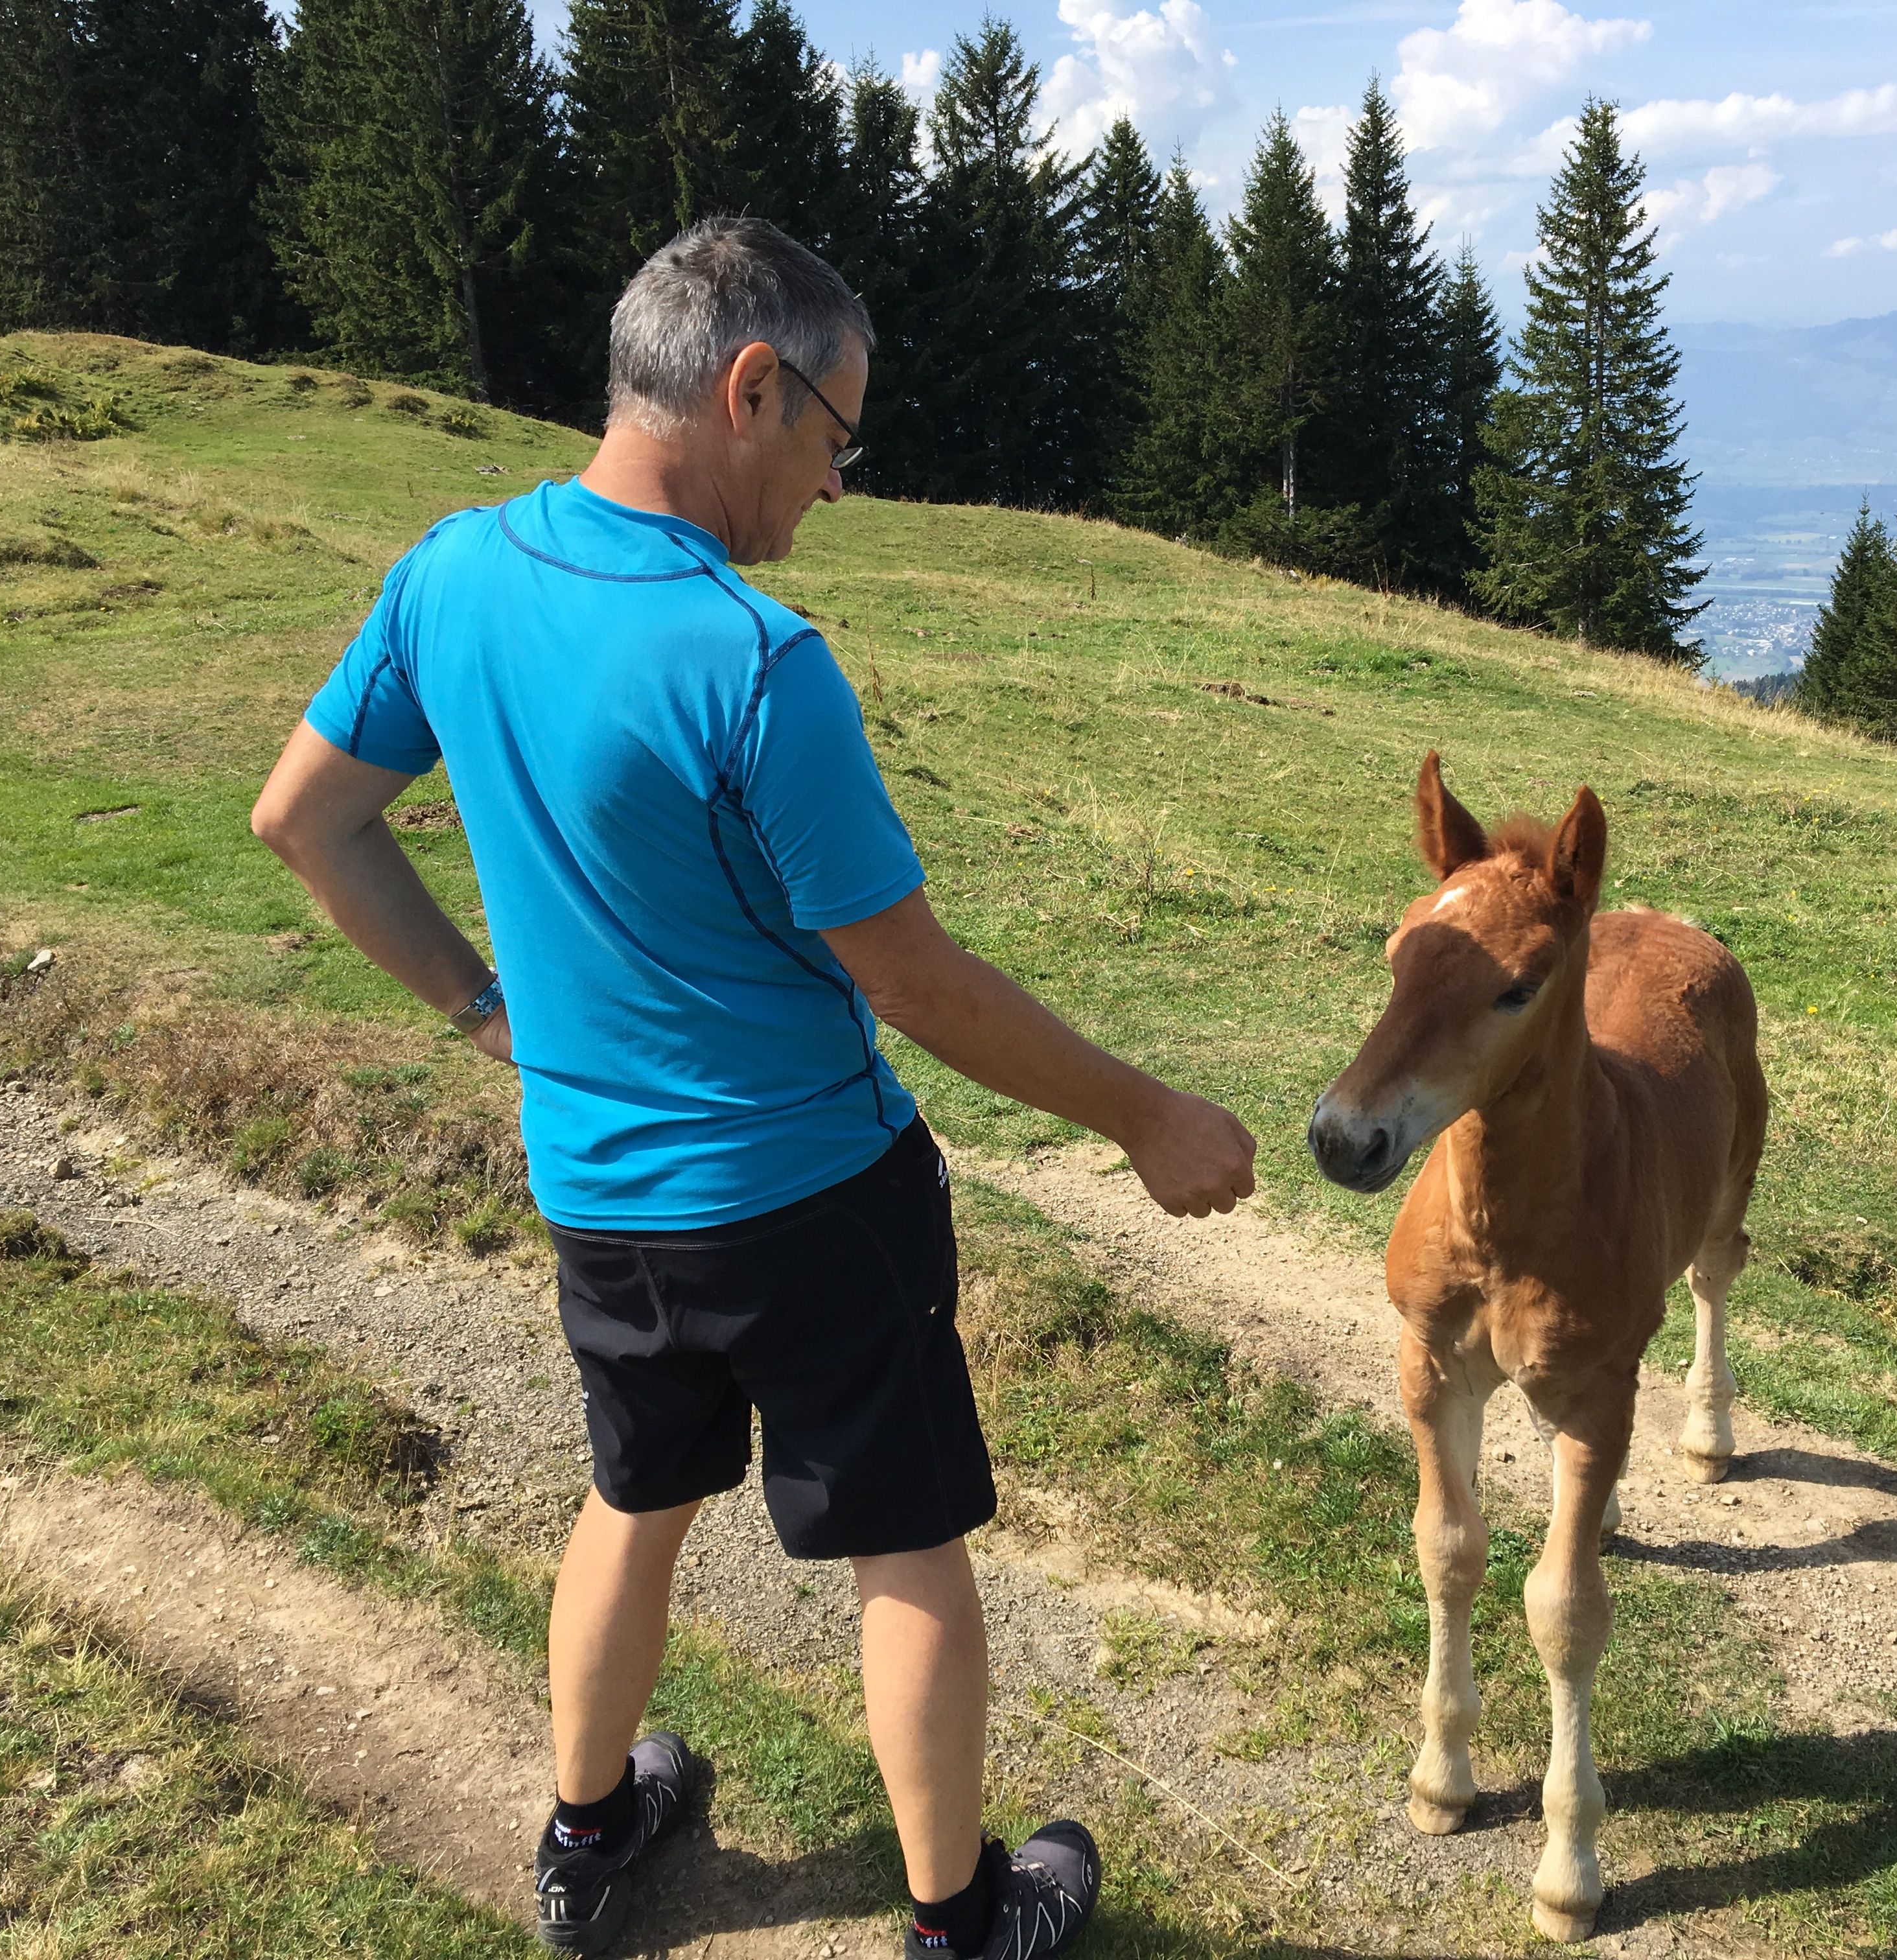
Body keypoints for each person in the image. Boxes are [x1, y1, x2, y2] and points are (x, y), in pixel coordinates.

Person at [251, 215, 1259, 1960]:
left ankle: (587, 1836)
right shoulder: (756, 663)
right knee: (905, 1545)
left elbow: (305, 821)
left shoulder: (453, 572)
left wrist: (485, 1012)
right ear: (750, 388)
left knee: (636, 1498)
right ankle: (957, 1921)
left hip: (596, 1189)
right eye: (835, 434)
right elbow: (915, 981)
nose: (836, 483)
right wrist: (1149, 1120)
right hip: (812, 1202)